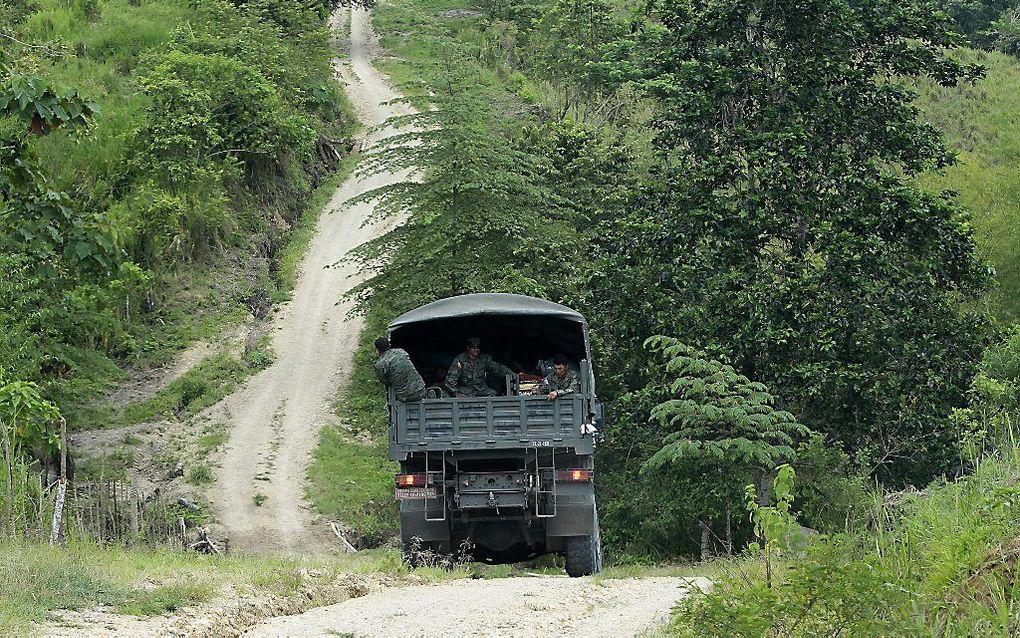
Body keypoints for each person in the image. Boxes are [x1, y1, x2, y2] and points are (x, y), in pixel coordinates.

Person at [445, 337, 514, 397]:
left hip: (481, 389)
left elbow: (498, 368)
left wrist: (512, 374)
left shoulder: (484, 359)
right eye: (473, 347)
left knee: (493, 394)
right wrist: (455, 393)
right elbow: (450, 380)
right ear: (468, 348)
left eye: (478, 347)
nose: (476, 349)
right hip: (465, 391)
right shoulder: (460, 360)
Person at [374, 336, 426, 401]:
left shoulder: (380, 364)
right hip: (421, 390)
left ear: (377, 350)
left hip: (404, 397)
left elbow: (386, 382)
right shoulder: (401, 352)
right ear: (389, 345)